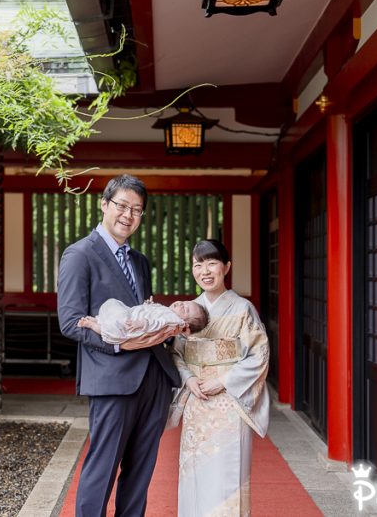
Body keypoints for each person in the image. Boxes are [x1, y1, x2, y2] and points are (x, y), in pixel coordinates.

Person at [57, 174, 182, 517]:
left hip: (153, 378)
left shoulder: (139, 261)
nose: (128, 215)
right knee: (102, 469)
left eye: (137, 210)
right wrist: (118, 346)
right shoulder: (79, 254)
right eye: (122, 206)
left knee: (140, 474)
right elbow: (70, 322)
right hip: (112, 378)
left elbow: (139, 313)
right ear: (104, 204)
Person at [172, 239, 270, 517]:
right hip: (197, 398)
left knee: (228, 471)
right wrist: (189, 378)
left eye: (212, 263)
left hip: (229, 400)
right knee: (195, 470)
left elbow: (259, 355)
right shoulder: (187, 310)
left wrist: (224, 381)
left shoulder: (242, 309)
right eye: (197, 264)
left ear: (226, 267)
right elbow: (176, 354)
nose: (205, 270)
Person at [77, 298, 209, 344]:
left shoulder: (173, 320)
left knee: (116, 327)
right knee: (114, 306)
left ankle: (93, 325)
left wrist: (143, 323)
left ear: (184, 323)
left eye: (185, 309)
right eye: (184, 303)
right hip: (132, 317)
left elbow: (158, 324)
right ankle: (99, 321)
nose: (181, 304)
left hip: (134, 327)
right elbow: (156, 315)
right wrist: (149, 306)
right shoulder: (168, 312)